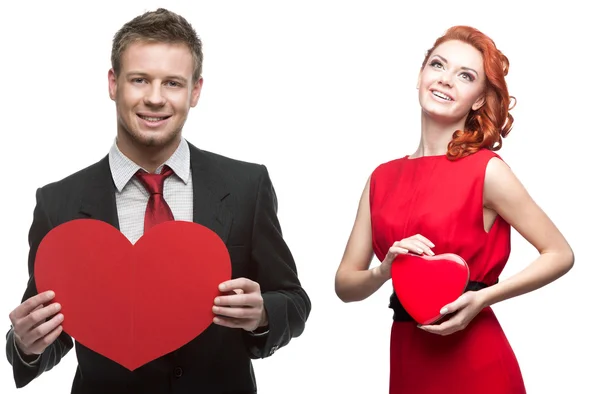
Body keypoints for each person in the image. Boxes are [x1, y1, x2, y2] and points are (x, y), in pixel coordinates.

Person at [6, 8, 310, 394]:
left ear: (195, 91)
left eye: (172, 83)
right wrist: (25, 346)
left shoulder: (247, 185)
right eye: (139, 80)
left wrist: (264, 313)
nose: (154, 98)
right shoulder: (58, 203)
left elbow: (294, 300)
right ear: (113, 84)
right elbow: (51, 327)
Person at [334, 25, 574, 394]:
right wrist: (384, 270)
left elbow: (560, 253)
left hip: (477, 362)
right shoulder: (381, 178)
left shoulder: (487, 170)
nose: (446, 80)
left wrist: (484, 298)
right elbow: (345, 285)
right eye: (438, 65)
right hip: (408, 359)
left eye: (465, 75)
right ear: (419, 76)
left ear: (478, 100)